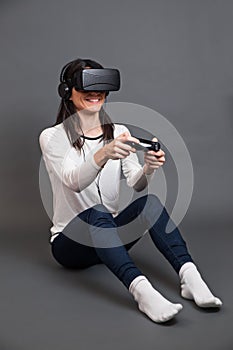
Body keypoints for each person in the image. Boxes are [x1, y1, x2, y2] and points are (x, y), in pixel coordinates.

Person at [39, 58, 222, 323]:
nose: (95, 92)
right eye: (86, 85)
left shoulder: (119, 132)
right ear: (67, 91)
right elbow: (73, 181)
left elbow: (136, 183)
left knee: (151, 203)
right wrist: (103, 153)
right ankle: (143, 293)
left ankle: (190, 278)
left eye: (101, 84)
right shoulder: (52, 136)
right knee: (97, 212)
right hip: (71, 246)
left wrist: (148, 167)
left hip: (110, 238)